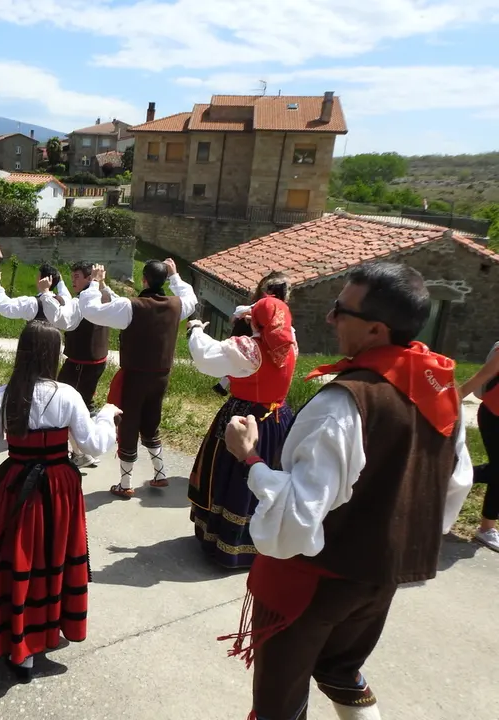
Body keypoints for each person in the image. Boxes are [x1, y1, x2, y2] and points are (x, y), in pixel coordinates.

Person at [221, 262, 473, 720]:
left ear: (376, 329)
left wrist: (250, 458)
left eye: (340, 310)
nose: (330, 318)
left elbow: (296, 517)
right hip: (379, 578)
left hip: (314, 582)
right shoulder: (442, 389)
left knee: (280, 701)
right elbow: (453, 486)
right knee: (342, 670)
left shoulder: (343, 403)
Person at [0, 320, 120, 682]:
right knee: (54, 556)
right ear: (53, 354)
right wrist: (107, 416)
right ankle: (48, 628)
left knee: (19, 560)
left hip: (17, 485)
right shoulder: (67, 395)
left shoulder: (3, 395)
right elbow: (93, 445)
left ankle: (22, 646)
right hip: (59, 488)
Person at [186, 296, 298, 569]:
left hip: (245, 419)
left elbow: (206, 357)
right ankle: (259, 542)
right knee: (268, 472)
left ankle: (226, 544)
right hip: (277, 419)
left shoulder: (250, 349)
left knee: (232, 475)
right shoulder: (291, 343)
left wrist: (196, 330)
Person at [80, 259, 197, 498]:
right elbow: (190, 296)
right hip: (161, 377)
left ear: (143, 279)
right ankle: (160, 473)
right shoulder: (177, 305)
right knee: (151, 422)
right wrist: (175, 276)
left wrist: (93, 283)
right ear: (164, 280)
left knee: (129, 425)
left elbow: (91, 311)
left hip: (135, 376)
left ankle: (125, 483)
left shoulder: (131, 306)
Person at [41, 261, 114, 468]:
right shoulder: (106, 294)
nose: (74, 280)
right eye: (72, 276)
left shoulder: (84, 299)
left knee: (64, 403)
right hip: (96, 360)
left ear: (89, 278)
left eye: (77, 277)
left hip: (81, 361)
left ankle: (84, 452)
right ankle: (87, 449)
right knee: (86, 402)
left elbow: (62, 321)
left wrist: (46, 294)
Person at [215, 272, 291, 397]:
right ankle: (226, 383)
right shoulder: (266, 308)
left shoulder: (263, 307)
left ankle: (225, 383)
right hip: (255, 342)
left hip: (256, 345)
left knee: (239, 364)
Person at [458, 340, 499, 552]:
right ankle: (486, 528)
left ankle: (448, 480)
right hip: (494, 416)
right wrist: (453, 399)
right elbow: (482, 376)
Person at [0, 263, 70, 321]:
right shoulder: (62, 302)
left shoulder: (32, 303)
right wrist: (60, 281)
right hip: (54, 343)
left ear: (40, 279)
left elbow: (4, 307)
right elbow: (66, 295)